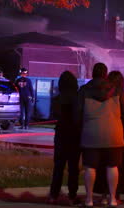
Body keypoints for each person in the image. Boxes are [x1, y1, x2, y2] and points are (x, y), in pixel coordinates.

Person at [77, 63, 124, 208]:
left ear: (93, 73)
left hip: (91, 133)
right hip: (114, 133)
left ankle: (89, 199)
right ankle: (112, 199)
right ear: (105, 74)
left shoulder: (84, 90)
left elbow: (77, 113)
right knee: (112, 166)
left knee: (90, 167)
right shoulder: (116, 90)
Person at [48, 71, 81, 205]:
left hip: (61, 134)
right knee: (73, 168)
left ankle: (53, 195)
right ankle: (72, 196)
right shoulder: (78, 98)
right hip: (74, 135)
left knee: (58, 167)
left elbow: (54, 115)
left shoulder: (56, 99)